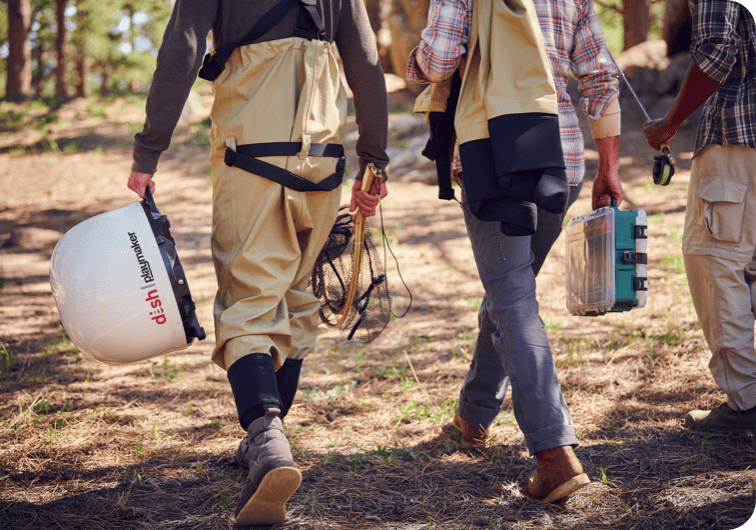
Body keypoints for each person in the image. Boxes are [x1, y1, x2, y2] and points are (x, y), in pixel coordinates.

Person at [126, 0, 389, 525]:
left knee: (248, 297)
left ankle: (266, 436)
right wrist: (375, 160)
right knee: (295, 295)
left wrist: (148, 150)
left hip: (252, 146)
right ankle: (267, 444)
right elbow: (365, 62)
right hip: (324, 153)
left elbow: (181, 47)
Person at [407, 0, 621, 503]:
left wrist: (413, 63)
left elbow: (437, 61)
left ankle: (554, 453)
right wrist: (609, 166)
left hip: (491, 154)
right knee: (511, 291)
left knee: (513, 299)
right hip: (561, 156)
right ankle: (474, 414)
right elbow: (600, 78)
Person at [643, 0, 756, 432]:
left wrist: (670, 122)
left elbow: (717, 49)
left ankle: (746, 402)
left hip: (738, 137)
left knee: (717, 262)